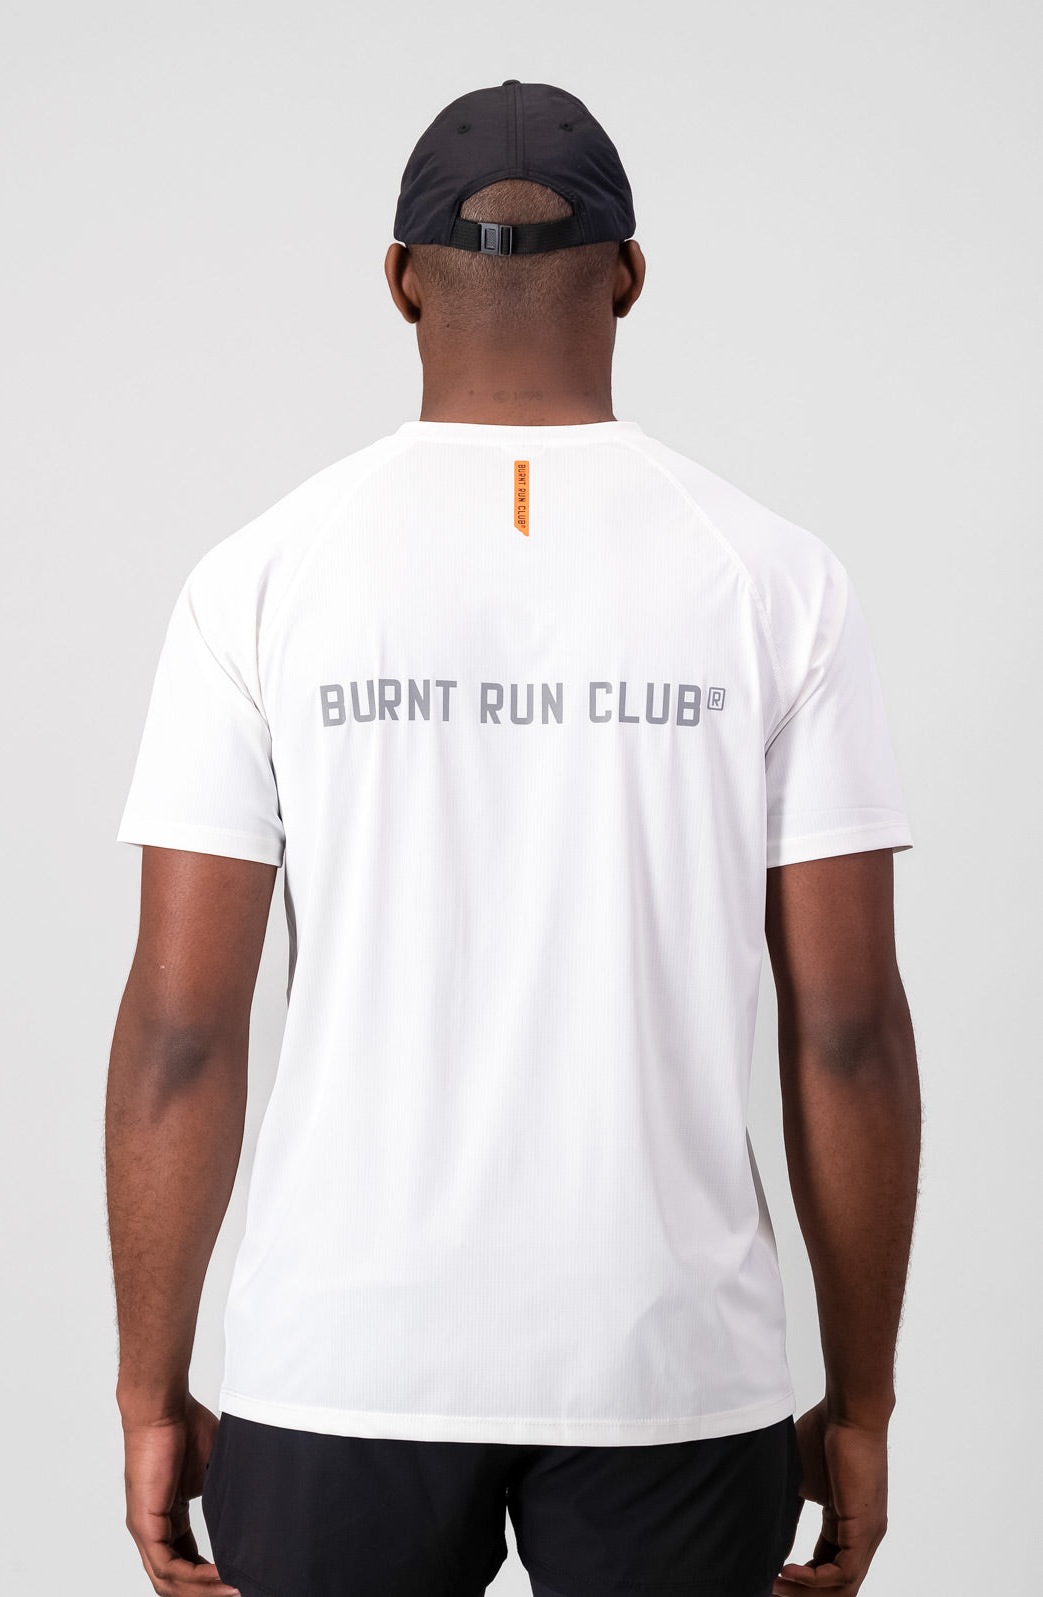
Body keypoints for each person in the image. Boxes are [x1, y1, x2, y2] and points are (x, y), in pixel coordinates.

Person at [106, 79, 921, 1597]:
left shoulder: (259, 579)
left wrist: (148, 1391)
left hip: (341, 1362)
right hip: (672, 1369)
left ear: (400, 278)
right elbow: (850, 1030)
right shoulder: (776, 581)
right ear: (629, 274)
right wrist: (862, 1401)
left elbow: (180, 1029)